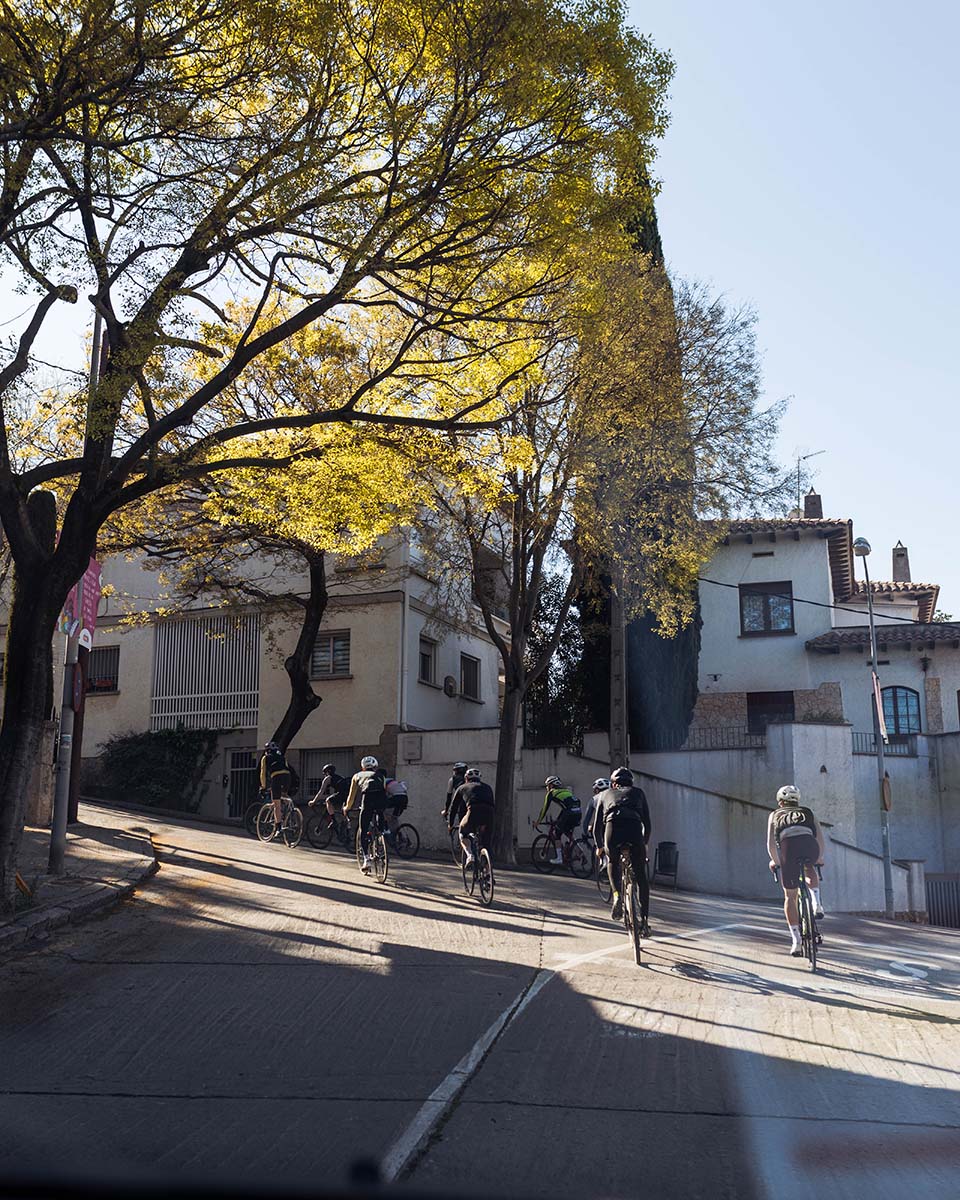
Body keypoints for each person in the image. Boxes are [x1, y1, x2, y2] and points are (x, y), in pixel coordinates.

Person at [767, 784, 825, 956]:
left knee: (790, 897)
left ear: (780, 802)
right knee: (809, 868)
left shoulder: (774, 815)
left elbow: (770, 844)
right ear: (797, 801)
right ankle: (817, 904)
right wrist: (819, 857)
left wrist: (776, 862)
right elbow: (820, 838)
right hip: (810, 846)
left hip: (789, 849)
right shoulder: (808, 812)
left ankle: (796, 941)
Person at [592, 767, 651, 930]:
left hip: (613, 830)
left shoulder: (604, 794)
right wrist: (644, 844)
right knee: (641, 875)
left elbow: (597, 827)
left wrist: (599, 848)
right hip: (634, 830)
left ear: (613, 783)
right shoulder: (639, 793)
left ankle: (617, 895)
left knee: (612, 861)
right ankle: (645, 922)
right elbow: (647, 823)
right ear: (631, 782)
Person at [343, 755, 389, 873]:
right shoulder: (381, 776)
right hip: (381, 799)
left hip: (367, 798)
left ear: (362, 767)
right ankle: (381, 835)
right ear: (375, 767)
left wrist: (347, 808)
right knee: (379, 815)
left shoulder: (357, 776)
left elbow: (351, 796)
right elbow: (384, 790)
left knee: (363, 829)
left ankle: (366, 859)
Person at [451, 766, 495, 865]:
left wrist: (450, 824)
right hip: (490, 814)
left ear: (466, 778)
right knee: (487, 844)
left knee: (462, 832)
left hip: (473, 811)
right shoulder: (488, 787)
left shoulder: (462, 787)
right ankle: (488, 873)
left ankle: (470, 856)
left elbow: (453, 808)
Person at [538, 776, 582, 865]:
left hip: (569, 813)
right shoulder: (566, 791)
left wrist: (538, 821)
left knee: (557, 834)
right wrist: (558, 819)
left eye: (547, 785)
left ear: (551, 785)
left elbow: (544, 809)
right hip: (578, 812)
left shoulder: (552, 793)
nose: (547, 788)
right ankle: (580, 852)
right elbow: (565, 807)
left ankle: (559, 858)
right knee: (567, 832)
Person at [259, 740, 294, 826]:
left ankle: (278, 828)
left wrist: (263, 787)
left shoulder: (265, 758)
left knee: (276, 805)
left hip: (276, 777)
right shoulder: (282, 757)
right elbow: (287, 768)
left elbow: (263, 773)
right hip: (287, 777)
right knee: (283, 796)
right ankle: (290, 812)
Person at [310, 762, 349, 834]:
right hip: (348, 794)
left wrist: (313, 801)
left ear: (327, 772)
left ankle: (334, 821)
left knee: (328, 801)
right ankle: (346, 830)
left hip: (342, 794)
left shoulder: (328, 778)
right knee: (343, 812)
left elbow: (321, 792)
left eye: (324, 773)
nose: (324, 775)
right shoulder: (339, 777)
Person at [442, 762, 468, 826]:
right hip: (473, 804)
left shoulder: (452, 780)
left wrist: (446, 810)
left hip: (461, 805)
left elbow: (449, 797)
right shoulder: (470, 780)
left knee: (462, 826)